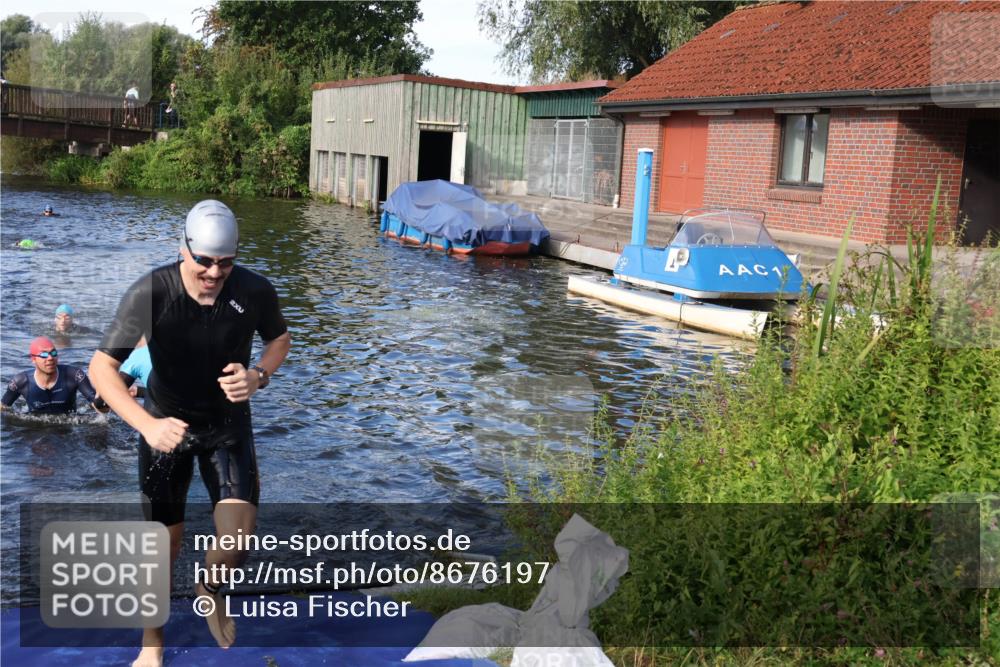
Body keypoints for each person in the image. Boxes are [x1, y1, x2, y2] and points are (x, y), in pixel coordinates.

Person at [89, 199, 291, 667]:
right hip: (166, 427)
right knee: (164, 546)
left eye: (225, 262)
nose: (214, 273)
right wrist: (146, 423)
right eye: (204, 261)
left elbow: (279, 339)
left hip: (226, 426)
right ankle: (152, 645)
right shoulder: (151, 292)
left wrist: (259, 376)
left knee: (237, 539)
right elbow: (101, 369)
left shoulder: (255, 291)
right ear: (183, 249)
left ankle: (210, 588)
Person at [2, 337, 104, 414]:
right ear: (33, 359)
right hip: (36, 431)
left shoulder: (75, 375)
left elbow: (95, 403)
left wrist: (102, 404)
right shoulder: (20, 382)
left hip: (67, 428)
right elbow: (3, 408)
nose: (50, 358)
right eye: (44, 355)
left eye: (53, 353)